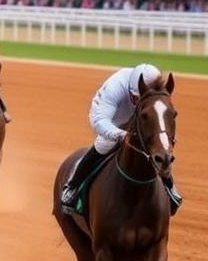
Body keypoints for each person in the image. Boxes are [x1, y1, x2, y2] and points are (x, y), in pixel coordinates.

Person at [60, 63, 182, 217]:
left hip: (143, 118)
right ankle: (73, 186)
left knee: (158, 147)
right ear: (130, 91)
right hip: (112, 119)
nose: (137, 101)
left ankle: (169, 187)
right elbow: (99, 120)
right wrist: (120, 134)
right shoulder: (115, 87)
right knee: (104, 144)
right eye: (135, 98)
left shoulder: (152, 87)